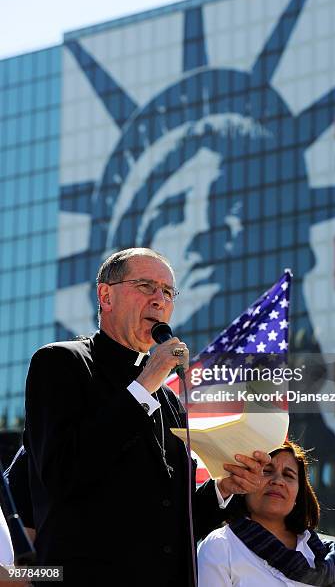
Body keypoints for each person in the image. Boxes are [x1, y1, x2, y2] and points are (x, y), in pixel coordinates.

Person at [23, 247, 270, 586]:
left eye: (168, 292)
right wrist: (145, 384)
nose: (159, 299)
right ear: (105, 296)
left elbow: (176, 521)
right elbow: (63, 472)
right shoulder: (60, 363)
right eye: (145, 286)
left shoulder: (168, 399)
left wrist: (224, 489)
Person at [197, 442, 335, 586]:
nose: (278, 481)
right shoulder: (219, 546)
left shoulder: (322, 555)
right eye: (266, 471)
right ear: (244, 483)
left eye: (288, 475)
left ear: (299, 494)